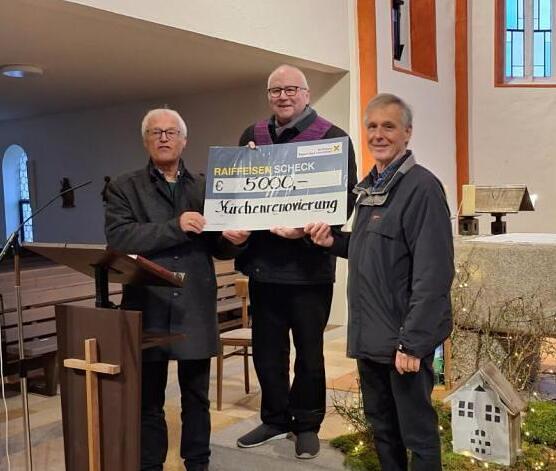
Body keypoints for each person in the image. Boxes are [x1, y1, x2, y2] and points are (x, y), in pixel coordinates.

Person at [306, 93, 454, 470]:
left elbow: (433, 273)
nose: (378, 134)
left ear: (407, 132)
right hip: (370, 338)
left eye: (388, 126)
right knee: (383, 431)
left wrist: (413, 343)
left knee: (417, 435)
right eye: (372, 126)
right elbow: (371, 248)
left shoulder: (422, 188)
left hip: (401, 342)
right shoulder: (370, 189)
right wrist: (332, 241)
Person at [104, 108, 248, 471]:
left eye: (171, 132)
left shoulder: (203, 186)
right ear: (146, 141)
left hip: (193, 304)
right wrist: (176, 226)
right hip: (147, 303)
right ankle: (150, 465)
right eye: (156, 132)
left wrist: (234, 241)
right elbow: (119, 238)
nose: (164, 138)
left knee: (196, 397)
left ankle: (197, 463)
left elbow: (218, 247)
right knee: (148, 400)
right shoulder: (124, 186)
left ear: (184, 140)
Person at [234, 64, 358, 459]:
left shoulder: (333, 138)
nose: (283, 96)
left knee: (309, 353)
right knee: (267, 352)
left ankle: (306, 423)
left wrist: (305, 229)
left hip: (308, 269)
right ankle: (274, 418)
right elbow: (239, 191)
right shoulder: (251, 137)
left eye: (291, 89)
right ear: (268, 96)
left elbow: (344, 198)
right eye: (276, 90)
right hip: (264, 266)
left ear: (306, 94)